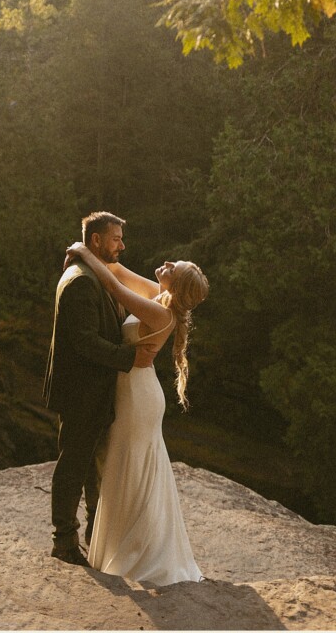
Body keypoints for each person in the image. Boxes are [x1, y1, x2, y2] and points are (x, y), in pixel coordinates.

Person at [64, 238, 209, 586]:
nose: (169, 263)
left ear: (177, 285)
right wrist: (92, 247)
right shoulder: (158, 297)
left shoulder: (160, 312)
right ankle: (131, 543)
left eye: (177, 269)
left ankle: (139, 551)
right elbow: (116, 270)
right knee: (128, 467)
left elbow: (113, 286)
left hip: (138, 398)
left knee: (129, 467)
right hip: (133, 391)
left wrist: (83, 252)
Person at [44, 212, 159, 566]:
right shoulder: (80, 281)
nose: (122, 245)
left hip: (95, 391)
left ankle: (95, 537)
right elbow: (84, 344)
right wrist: (131, 357)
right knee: (73, 466)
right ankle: (64, 542)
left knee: (93, 466)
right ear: (96, 241)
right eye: (115, 239)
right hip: (81, 393)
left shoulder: (98, 275)